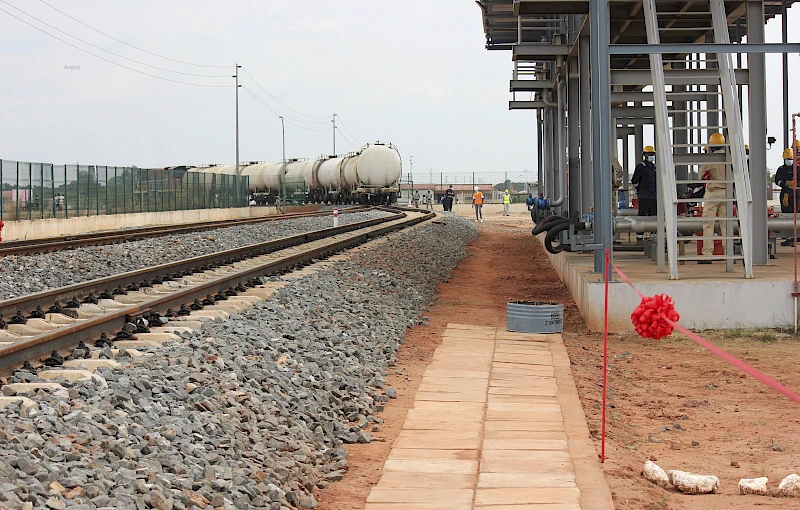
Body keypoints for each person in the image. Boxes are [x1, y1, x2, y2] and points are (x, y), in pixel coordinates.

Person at [699, 133, 728, 262]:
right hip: (727, 193)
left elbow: (701, 175)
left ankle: (707, 254)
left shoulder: (710, 159)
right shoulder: (729, 158)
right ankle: (729, 253)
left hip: (712, 193)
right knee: (726, 225)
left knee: (708, 225)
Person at [631, 145, 658, 243]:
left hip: (654, 196)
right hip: (644, 196)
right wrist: (640, 190)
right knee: (642, 216)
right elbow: (634, 180)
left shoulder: (653, 167)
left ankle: (654, 237)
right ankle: (639, 237)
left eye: (652, 154)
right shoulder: (641, 167)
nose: (651, 156)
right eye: (649, 154)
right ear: (645, 155)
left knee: (654, 216)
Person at [775, 145, 800, 246]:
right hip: (785, 194)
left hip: (797, 195)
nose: (788, 161)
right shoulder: (781, 169)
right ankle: (789, 237)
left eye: (790, 159)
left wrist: (796, 184)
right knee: (786, 214)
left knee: (796, 214)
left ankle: (796, 236)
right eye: (787, 159)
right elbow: (777, 180)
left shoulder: (798, 169)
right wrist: (785, 183)